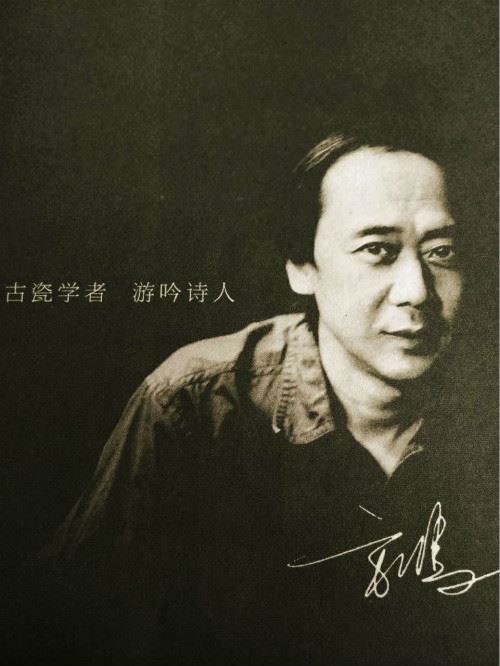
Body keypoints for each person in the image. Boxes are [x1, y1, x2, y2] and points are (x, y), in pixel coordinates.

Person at [38, 130, 498, 665]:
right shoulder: (196, 403)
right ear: (302, 267)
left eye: (442, 252)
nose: (417, 290)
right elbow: (70, 625)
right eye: (378, 250)